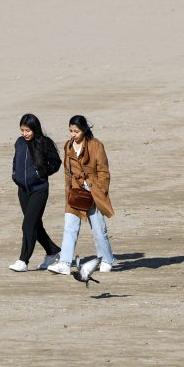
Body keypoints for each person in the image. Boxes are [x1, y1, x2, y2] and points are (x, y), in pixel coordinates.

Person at [47, 115, 115, 275]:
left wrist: (100, 190)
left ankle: (106, 259)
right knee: (69, 228)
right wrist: (68, 192)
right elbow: (67, 171)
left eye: (76, 131)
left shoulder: (96, 145)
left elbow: (104, 171)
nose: (73, 134)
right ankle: (64, 262)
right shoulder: (68, 146)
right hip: (75, 193)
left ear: (84, 130)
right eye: (70, 131)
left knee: (99, 230)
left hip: (93, 194)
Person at [9, 113, 62, 272]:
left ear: (35, 129)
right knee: (34, 225)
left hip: (39, 190)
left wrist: (42, 173)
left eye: (27, 130)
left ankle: (23, 260)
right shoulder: (19, 142)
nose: (24, 133)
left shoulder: (44, 142)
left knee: (27, 225)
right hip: (23, 190)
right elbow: (15, 160)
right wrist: (14, 174)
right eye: (22, 130)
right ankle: (53, 252)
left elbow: (56, 162)